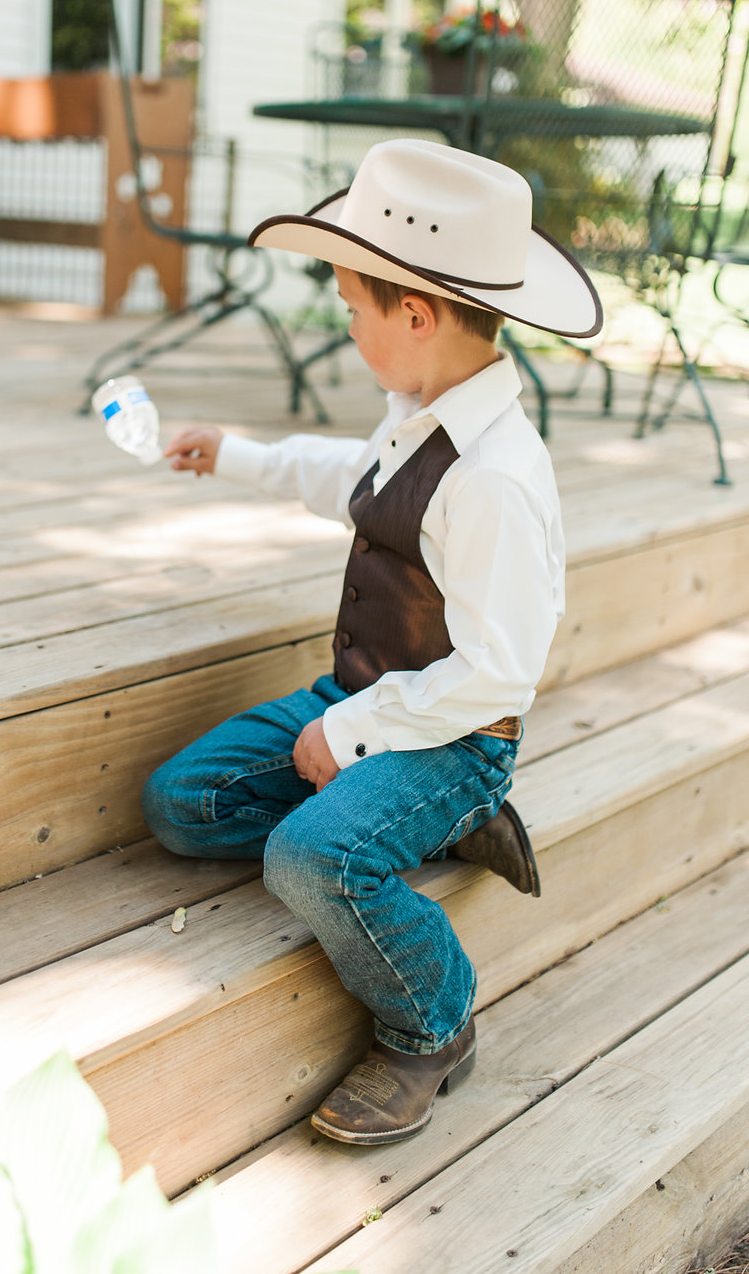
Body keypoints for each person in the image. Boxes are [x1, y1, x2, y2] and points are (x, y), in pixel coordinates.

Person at [141, 138, 603, 1146]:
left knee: (311, 862)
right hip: (364, 698)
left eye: (350, 308)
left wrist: (350, 742)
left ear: (415, 315)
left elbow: (499, 672)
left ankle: (429, 1026)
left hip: (452, 735)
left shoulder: (492, 480)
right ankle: (408, 826)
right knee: (183, 802)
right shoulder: (420, 412)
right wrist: (238, 455)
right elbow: (347, 478)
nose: (345, 324)